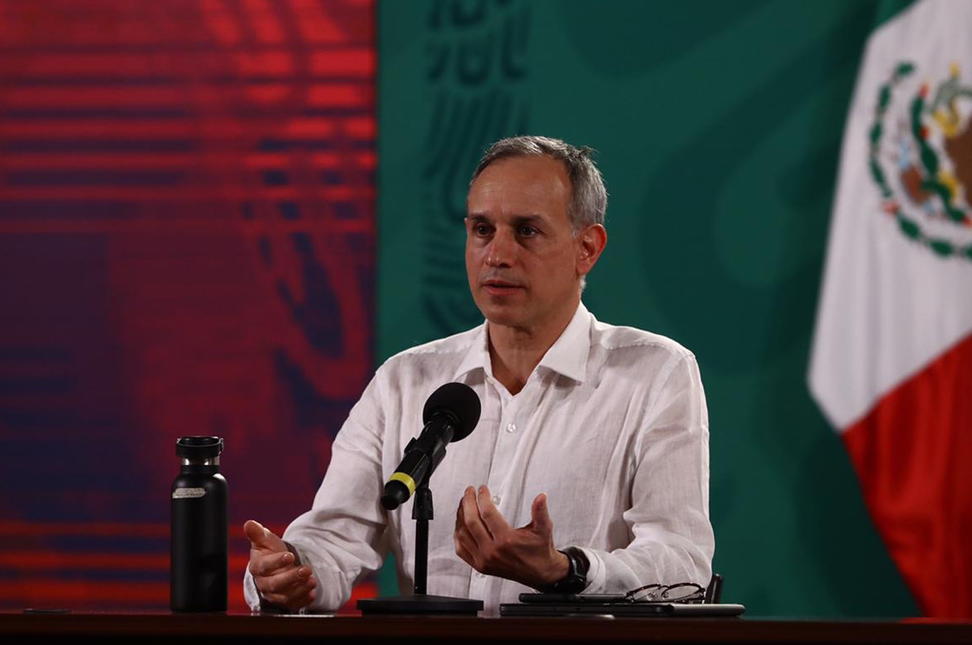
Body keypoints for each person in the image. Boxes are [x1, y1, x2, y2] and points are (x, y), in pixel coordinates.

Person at [243, 135, 714, 613]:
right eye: (483, 229)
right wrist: (290, 571)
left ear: (587, 248)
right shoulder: (405, 381)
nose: (497, 255)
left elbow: (682, 563)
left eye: (527, 231)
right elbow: (333, 540)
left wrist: (566, 569)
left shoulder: (654, 374)